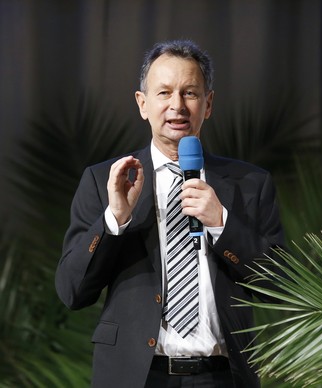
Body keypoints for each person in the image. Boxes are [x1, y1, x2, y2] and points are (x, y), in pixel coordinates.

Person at [55, 39, 286, 387]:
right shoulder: (105, 179)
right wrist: (114, 220)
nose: (177, 106)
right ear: (142, 103)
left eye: (190, 93)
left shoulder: (251, 183)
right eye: (164, 93)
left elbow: (279, 285)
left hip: (222, 376)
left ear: (208, 104)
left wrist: (222, 223)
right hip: (137, 376)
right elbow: (72, 291)